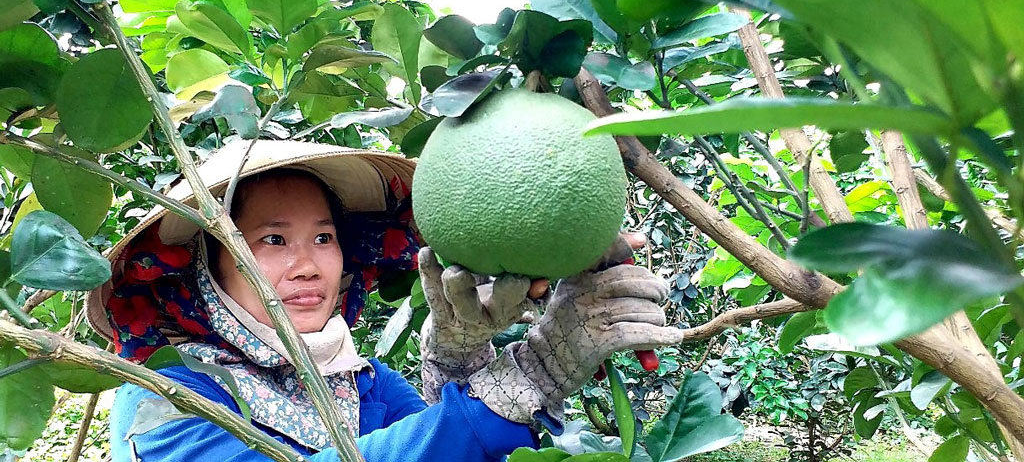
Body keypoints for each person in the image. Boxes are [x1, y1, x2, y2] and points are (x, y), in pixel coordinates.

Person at [86, 139, 683, 462]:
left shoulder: (362, 382)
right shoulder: (166, 395)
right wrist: (528, 378)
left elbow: (443, 444)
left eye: (324, 238)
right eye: (272, 240)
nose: (307, 265)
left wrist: (461, 361)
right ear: (208, 267)